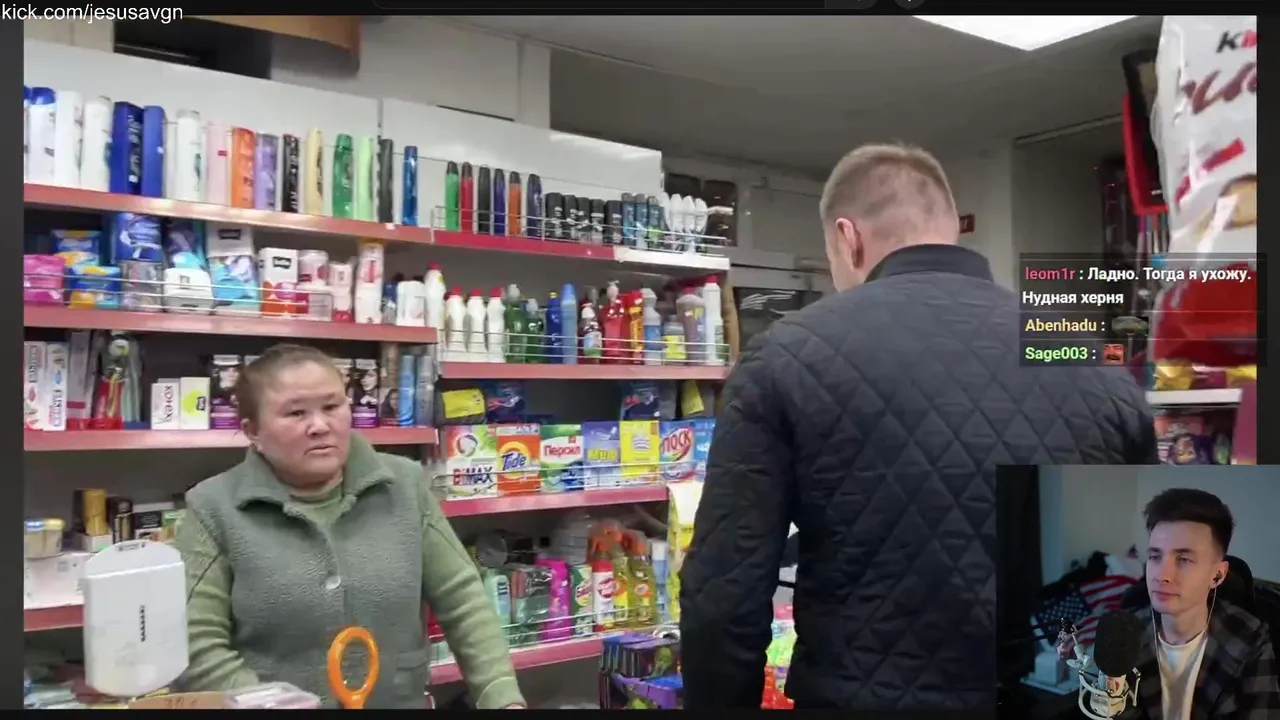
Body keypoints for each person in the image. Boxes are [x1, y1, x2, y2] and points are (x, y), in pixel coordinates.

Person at [678, 143, 1157, 710]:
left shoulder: (784, 357)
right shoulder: (1092, 361)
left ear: (848, 239)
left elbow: (724, 596)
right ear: (950, 229)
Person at [173, 344, 525, 709]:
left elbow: (464, 601)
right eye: (296, 413)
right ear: (253, 431)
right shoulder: (213, 508)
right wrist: (269, 704)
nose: (319, 426)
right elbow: (196, 644)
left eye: (331, 406)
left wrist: (502, 697)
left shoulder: (404, 484)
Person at [1130, 488, 1278, 719]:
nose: (1161, 575)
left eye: (1183, 559)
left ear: (1217, 575)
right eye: (1155, 556)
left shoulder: (1251, 641)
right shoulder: (1125, 634)